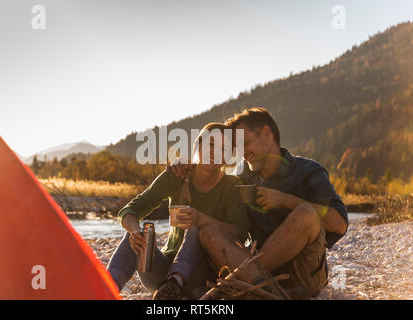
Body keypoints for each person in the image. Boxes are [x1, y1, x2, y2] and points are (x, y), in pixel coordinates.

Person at [170, 107, 348, 297]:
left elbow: (339, 224)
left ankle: (248, 287)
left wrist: (286, 200)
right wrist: (186, 169)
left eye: (246, 143)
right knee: (209, 233)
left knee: (306, 213)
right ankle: (267, 291)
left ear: (266, 133)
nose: (243, 153)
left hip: (302, 275)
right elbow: (214, 190)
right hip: (251, 272)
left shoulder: (308, 171)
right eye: (238, 148)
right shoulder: (240, 176)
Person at [107, 122, 250, 299]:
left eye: (223, 148)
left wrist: (200, 218)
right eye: (210, 144)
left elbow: (240, 233)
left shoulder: (232, 185)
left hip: (205, 277)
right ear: (198, 145)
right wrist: (135, 230)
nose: (214, 152)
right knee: (135, 236)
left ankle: (175, 283)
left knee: (196, 228)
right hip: (162, 274)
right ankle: (105, 288)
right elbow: (131, 209)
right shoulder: (178, 174)